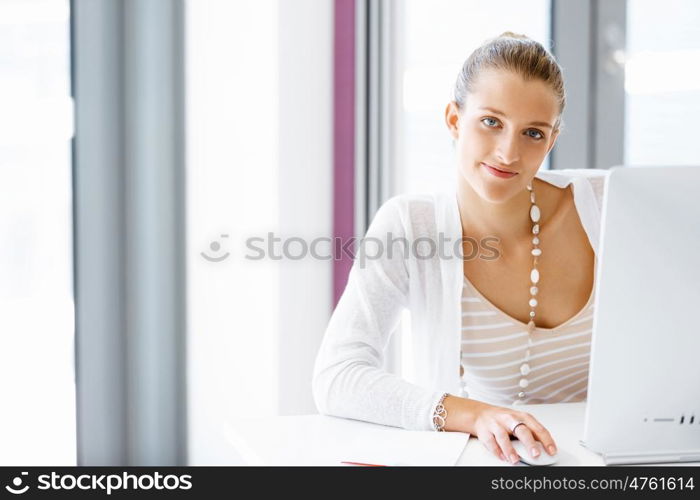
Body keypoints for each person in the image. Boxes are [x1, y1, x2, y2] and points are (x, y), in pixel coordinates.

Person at [312, 31, 608, 465]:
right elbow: (337, 376)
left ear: (552, 140)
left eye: (532, 133)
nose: (508, 152)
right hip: (489, 465)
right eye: (491, 122)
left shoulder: (606, 203)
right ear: (454, 119)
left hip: (608, 464)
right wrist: (474, 415)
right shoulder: (412, 226)